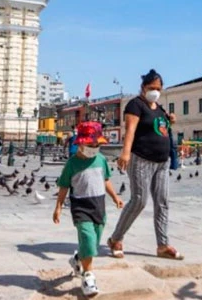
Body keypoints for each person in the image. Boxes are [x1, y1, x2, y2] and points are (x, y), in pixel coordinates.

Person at [107, 69, 184, 261]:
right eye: (152, 88)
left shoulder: (159, 108)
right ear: (143, 87)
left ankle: (163, 245)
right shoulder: (136, 105)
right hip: (141, 159)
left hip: (162, 162)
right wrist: (125, 153)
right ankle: (116, 239)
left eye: (158, 88)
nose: (155, 91)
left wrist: (170, 119)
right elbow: (131, 130)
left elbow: (161, 129)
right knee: (139, 200)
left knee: (162, 202)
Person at [53, 121, 123, 298]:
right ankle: (88, 278)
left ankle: (78, 259)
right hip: (80, 207)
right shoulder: (72, 164)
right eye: (91, 144)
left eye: (97, 144)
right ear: (81, 143)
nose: (94, 147)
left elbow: (106, 180)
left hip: (98, 205)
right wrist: (58, 207)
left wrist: (115, 197)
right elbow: (63, 186)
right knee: (87, 237)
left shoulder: (100, 160)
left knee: (93, 243)